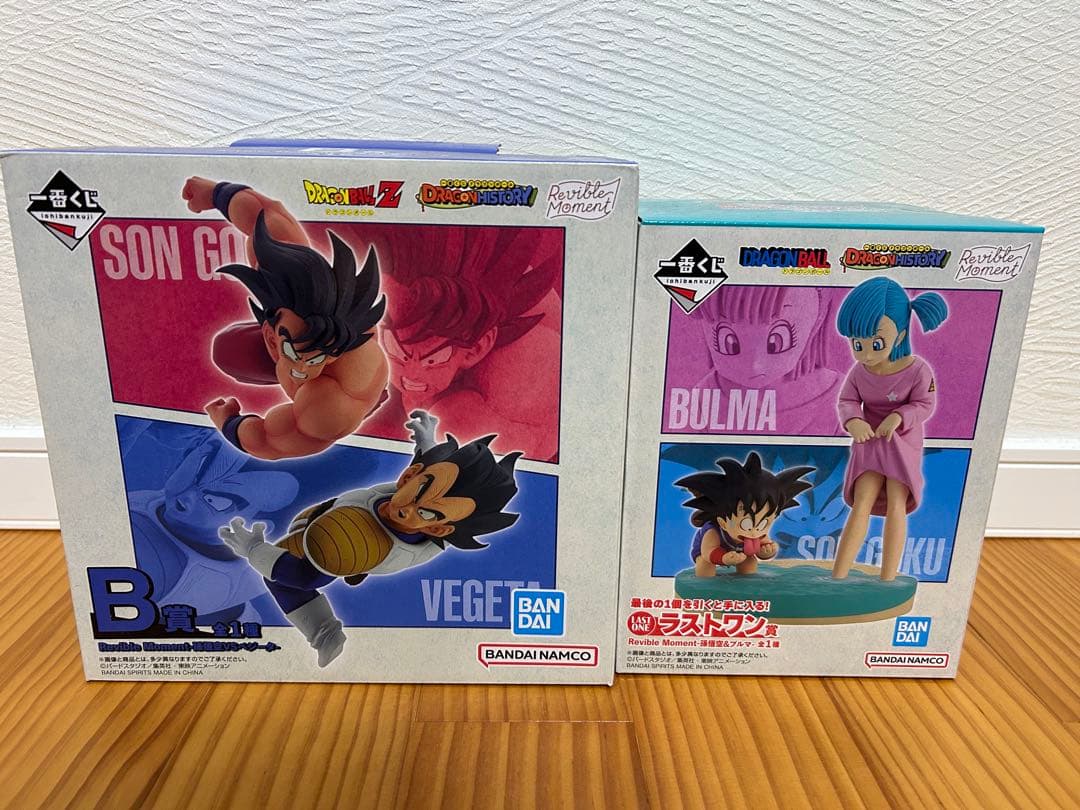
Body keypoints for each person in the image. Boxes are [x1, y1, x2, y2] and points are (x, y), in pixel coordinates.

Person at [218, 411, 522, 666]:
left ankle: (325, 634)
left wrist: (253, 548)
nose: (410, 508)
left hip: (347, 551)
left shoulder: (373, 548)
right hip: (321, 516)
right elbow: (435, 471)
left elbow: (302, 577)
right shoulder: (411, 484)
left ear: (438, 529)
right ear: (409, 476)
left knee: (286, 579)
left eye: (428, 514)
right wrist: (427, 440)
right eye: (418, 490)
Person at [181, 177, 389, 460]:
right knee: (231, 348)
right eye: (292, 351)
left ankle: (307, 358)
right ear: (269, 334)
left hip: (339, 402)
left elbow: (268, 442)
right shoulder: (305, 288)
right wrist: (217, 193)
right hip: (310, 350)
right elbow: (266, 215)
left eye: (315, 358)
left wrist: (228, 421)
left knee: (235, 354)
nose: (302, 368)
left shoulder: (325, 408)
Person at [831, 278, 948, 581]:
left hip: (901, 443)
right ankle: (839, 574)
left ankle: (888, 577)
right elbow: (847, 400)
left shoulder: (918, 370)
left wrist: (900, 416)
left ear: (901, 335)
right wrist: (854, 421)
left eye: (876, 344)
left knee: (897, 502)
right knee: (862, 502)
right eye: (857, 344)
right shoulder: (859, 371)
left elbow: (925, 404)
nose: (866, 354)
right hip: (869, 441)